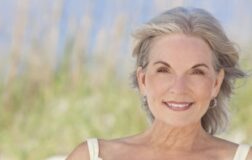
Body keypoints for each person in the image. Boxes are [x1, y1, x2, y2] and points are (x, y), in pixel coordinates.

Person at [66, 7, 251, 160]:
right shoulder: (92, 156)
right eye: (164, 70)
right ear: (143, 80)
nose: (179, 88)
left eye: (197, 72)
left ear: (216, 83)